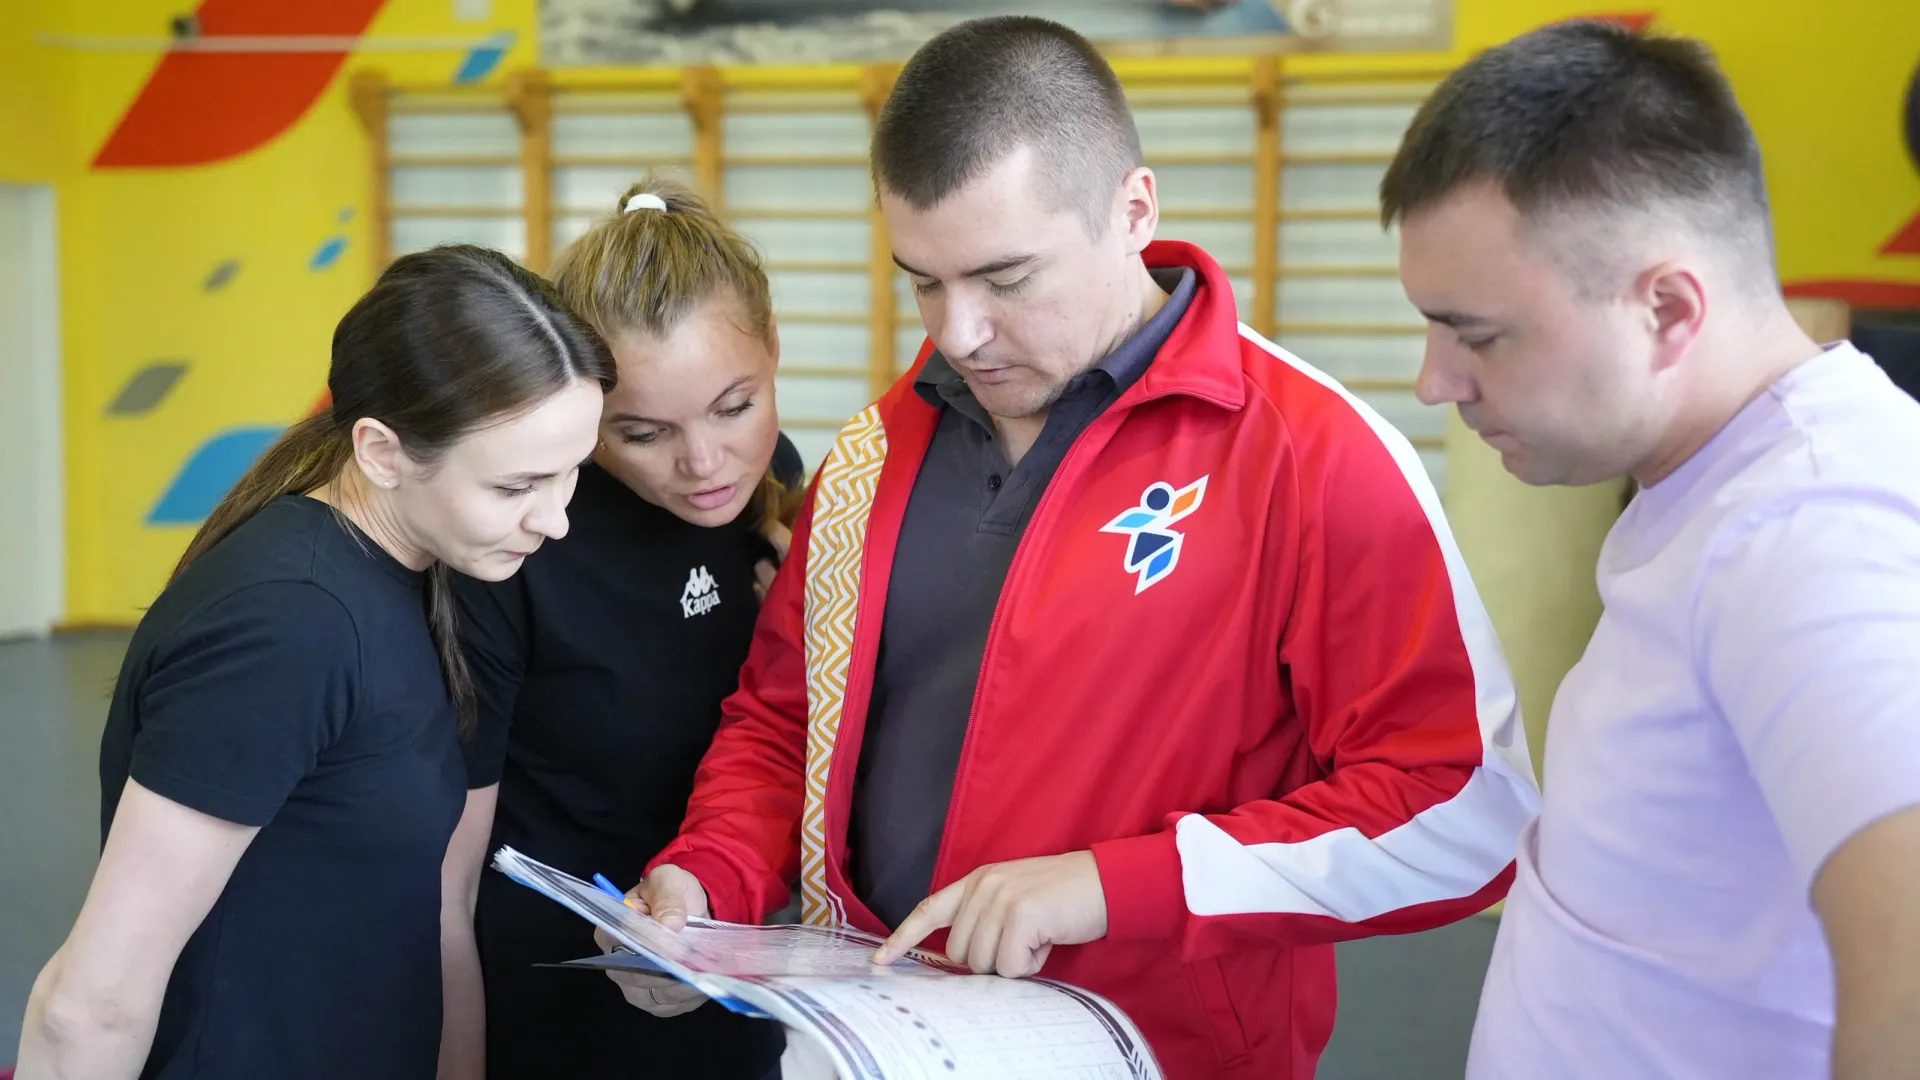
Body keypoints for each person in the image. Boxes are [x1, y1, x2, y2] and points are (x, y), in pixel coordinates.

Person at [614, 17, 1541, 1079]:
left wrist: (1112, 885)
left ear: (1132, 210)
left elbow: (1463, 810)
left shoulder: (1311, 456)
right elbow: (786, 726)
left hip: (1159, 1057)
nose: (958, 332)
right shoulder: (872, 452)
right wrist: (706, 880)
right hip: (870, 1038)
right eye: (924, 280)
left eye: (1006, 279)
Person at [1381, 21, 1920, 1079]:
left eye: (1477, 335)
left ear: (1667, 308)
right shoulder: (1720, 484)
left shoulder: (1806, 530)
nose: (1435, 382)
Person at [14, 245, 613, 1080]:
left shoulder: (408, 575)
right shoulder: (289, 624)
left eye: (571, 475)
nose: (556, 521)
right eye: (517, 488)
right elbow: (92, 1001)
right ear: (380, 451)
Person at [437, 179, 796, 1080]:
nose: (705, 463)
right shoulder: (524, 541)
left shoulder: (780, 493)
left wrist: (816, 615)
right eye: (642, 431)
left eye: (734, 406)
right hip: (552, 986)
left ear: (774, 353)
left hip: (726, 952)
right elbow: (445, 871)